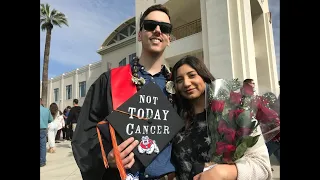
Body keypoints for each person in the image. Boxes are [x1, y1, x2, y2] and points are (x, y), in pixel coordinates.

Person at [72, 4, 176, 180]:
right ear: (139, 34)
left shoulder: (177, 85)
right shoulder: (109, 81)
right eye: (151, 25)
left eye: (164, 28)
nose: (158, 30)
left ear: (168, 38)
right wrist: (106, 157)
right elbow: (85, 132)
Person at [170, 56, 273, 180]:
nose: (186, 83)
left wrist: (225, 172)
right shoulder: (176, 117)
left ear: (204, 76)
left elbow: (262, 167)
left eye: (192, 75)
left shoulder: (235, 113)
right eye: (179, 80)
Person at [40, 98, 53, 167]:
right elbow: (50, 119)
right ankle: (42, 162)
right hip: (43, 129)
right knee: (42, 146)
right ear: (41, 101)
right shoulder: (46, 110)